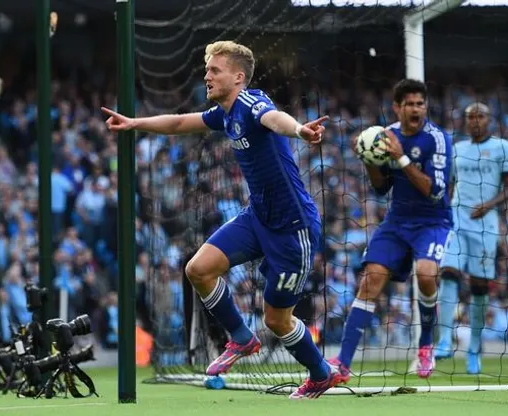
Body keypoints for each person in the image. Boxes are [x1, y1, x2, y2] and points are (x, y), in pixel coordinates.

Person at [102, 40, 343, 398]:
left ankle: (321, 374)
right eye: (207, 70)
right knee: (197, 270)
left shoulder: (251, 103)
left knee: (277, 320)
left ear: (238, 77)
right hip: (257, 217)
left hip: (293, 228)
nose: (207, 76)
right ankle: (242, 338)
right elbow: (181, 122)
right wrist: (135, 122)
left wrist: (299, 131)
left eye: (215, 70)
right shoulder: (224, 113)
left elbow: (274, 118)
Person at [328, 79, 453, 380]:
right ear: (397, 107)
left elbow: (435, 191)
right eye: (409, 104)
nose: (416, 109)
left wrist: (400, 157)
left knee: (426, 275)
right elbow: (381, 188)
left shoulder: (437, 139)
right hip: (397, 221)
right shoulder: (386, 136)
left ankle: (425, 345)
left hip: (433, 221)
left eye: (420, 104)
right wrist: (369, 159)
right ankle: (342, 363)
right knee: (370, 281)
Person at [435, 102, 508, 374]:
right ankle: (444, 340)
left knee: (479, 286)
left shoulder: (503, 148)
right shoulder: (457, 149)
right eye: (470, 117)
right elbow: (448, 185)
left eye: (480, 116)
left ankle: (473, 348)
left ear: (488, 119)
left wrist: (489, 205)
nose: (475, 121)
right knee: (448, 272)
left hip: (485, 224)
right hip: (457, 219)